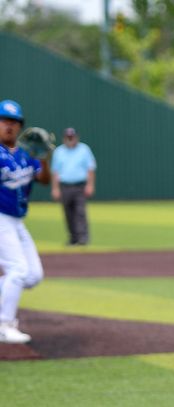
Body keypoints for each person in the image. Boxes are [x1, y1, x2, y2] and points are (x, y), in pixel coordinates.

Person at [0, 99, 51, 343]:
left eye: (13, 122)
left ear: (20, 126)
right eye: (4, 120)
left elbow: (44, 180)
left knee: (32, 276)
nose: (8, 126)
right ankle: (5, 324)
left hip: (17, 221)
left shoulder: (24, 155)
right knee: (18, 270)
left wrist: (43, 156)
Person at [51, 127, 96, 246]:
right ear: (64, 138)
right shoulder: (59, 151)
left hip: (79, 186)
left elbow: (90, 168)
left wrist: (90, 185)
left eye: (72, 137)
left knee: (80, 212)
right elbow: (55, 172)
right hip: (65, 186)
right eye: (68, 137)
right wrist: (55, 188)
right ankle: (73, 238)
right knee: (68, 213)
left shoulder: (84, 149)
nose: (70, 139)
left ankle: (83, 238)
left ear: (76, 137)